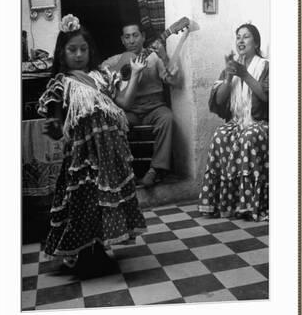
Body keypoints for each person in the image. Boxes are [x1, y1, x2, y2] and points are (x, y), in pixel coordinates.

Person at [38, 14, 147, 276]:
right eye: (72, 49)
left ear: (90, 50)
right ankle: (84, 255)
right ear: (62, 53)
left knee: (103, 204)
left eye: (83, 49)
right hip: (82, 158)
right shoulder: (61, 84)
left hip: (108, 154)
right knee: (83, 203)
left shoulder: (101, 77)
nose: (78, 54)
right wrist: (54, 129)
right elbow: (57, 124)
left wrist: (136, 75)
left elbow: (123, 104)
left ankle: (97, 250)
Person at [198, 23, 269, 222]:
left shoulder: (265, 66)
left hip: (261, 122)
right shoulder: (231, 68)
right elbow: (220, 101)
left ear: (256, 43)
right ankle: (225, 203)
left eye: (246, 37)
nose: (240, 40)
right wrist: (230, 77)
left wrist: (244, 74)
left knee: (248, 136)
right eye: (238, 36)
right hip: (238, 121)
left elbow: (266, 97)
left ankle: (249, 205)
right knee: (220, 134)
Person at [102, 23, 180, 188]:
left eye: (135, 35)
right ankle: (122, 171)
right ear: (122, 40)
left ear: (143, 37)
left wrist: (164, 56)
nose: (132, 40)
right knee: (113, 122)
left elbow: (174, 82)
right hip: (130, 110)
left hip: (154, 107)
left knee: (167, 118)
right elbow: (98, 74)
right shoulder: (117, 60)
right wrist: (113, 79)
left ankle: (155, 170)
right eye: (127, 36)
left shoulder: (155, 57)